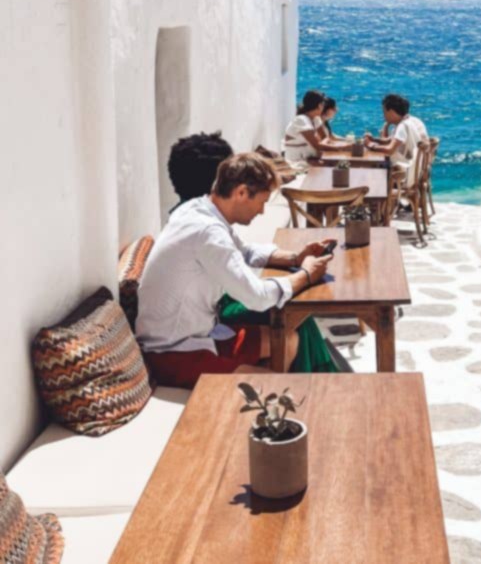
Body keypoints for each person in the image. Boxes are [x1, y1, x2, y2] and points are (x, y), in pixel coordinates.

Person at [136, 153, 333, 388]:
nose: (261, 211)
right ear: (241, 193)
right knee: (276, 385)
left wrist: (295, 257)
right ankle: (263, 398)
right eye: (261, 201)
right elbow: (257, 297)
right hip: (174, 351)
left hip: (206, 334)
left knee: (289, 338)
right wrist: (307, 275)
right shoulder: (208, 232)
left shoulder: (199, 210)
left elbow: (244, 251)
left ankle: (263, 404)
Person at [364, 94, 428, 185]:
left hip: (403, 176)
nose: (384, 116)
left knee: (368, 173)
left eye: (384, 112)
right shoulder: (408, 122)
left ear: (391, 112)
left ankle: (374, 197)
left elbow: (389, 150)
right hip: (413, 173)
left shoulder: (402, 126)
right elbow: (391, 140)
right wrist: (374, 139)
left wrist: (371, 146)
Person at [282, 90, 345, 162]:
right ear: (319, 106)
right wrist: (342, 148)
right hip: (297, 162)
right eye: (323, 104)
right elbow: (318, 146)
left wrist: (341, 147)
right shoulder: (301, 120)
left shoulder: (315, 119)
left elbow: (325, 139)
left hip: (309, 159)